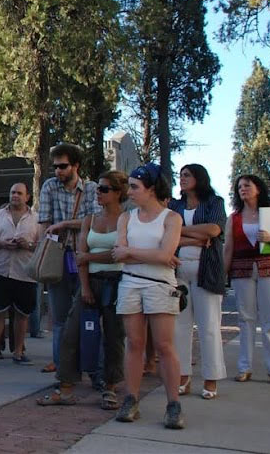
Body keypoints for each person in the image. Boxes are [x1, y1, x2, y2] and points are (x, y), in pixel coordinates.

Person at [37, 170, 128, 409]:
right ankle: (65, 386)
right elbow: (80, 256)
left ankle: (110, 387)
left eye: (104, 189)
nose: (98, 192)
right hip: (91, 280)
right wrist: (85, 285)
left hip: (119, 281)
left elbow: (121, 253)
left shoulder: (128, 219)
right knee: (71, 331)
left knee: (114, 336)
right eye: (98, 188)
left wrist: (90, 256)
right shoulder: (90, 219)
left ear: (118, 193)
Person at [113, 163, 185, 429]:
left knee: (164, 346)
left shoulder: (171, 218)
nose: (129, 192)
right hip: (130, 283)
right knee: (134, 343)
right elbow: (119, 249)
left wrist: (131, 253)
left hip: (159, 285)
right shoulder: (126, 217)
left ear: (151, 189)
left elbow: (165, 255)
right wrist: (147, 255)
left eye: (134, 187)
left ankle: (173, 404)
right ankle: (131, 399)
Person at [224, 174, 270, 386]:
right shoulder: (234, 217)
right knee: (245, 319)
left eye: (247, 185)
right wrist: (223, 276)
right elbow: (228, 249)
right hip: (242, 270)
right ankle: (245, 368)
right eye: (239, 187)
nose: (242, 189)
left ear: (258, 189)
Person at [37, 144, 100, 373]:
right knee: (60, 317)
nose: (58, 171)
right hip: (59, 257)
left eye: (63, 166)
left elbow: (93, 221)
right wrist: (44, 251)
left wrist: (64, 224)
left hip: (84, 258)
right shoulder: (49, 187)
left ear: (76, 166)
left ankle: (86, 365)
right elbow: (44, 222)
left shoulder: (92, 189)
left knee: (86, 314)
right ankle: (62, 366)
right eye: (55, 167)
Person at [169, 164, 228, 399]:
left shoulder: (214, 202)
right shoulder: (176, 205)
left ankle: (211, 379)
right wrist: (194, 237)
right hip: (179, 272)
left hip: (207, 271)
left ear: (199, 178)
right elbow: (169, 234)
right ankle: (183, 377)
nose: (182, 179)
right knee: (180, 327)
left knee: (209, 327)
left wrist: (182, 232)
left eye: (187, 175)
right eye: (180, 175)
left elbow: (214, 230)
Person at [0, 183, 40, 366]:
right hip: (1, 271)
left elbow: (42, 245)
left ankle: (19, 352)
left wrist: (27, 245)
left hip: (25, 272)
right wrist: (2, 244)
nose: (15, 196)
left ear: (27, 197)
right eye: (12, 192)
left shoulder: (36, 218)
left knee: (22, 315)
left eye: (19, 193)